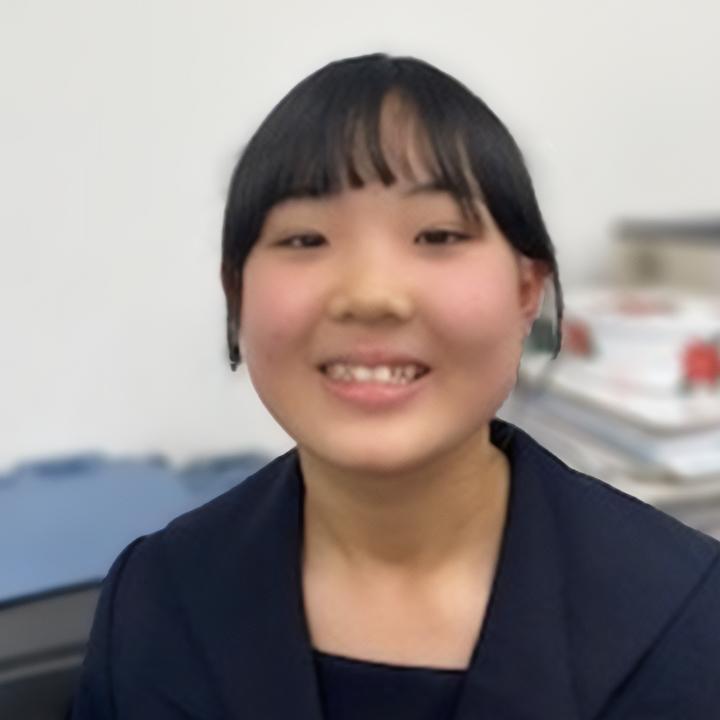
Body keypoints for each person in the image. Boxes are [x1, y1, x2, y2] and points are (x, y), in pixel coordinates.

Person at [71, 53, 720, 720]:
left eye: (438, 234)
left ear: (527, 290)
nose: (371, 295)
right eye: (305, 239)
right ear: (237, 293)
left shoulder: (687, 617)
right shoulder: (155, 599)